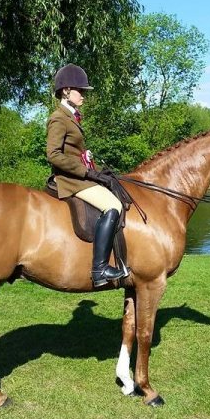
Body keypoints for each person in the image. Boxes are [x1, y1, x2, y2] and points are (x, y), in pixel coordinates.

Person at [46, 63, 126, 287]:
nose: (83, 95)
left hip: (80, 177)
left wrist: (99, 172)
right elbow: (53, 155)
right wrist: (87, 172)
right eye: (80, 90)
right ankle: (99, 269)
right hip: (70, 181)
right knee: (113, 206)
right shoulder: (58, 118)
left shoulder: (72, 117)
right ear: (66, 91)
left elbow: (77, 153)